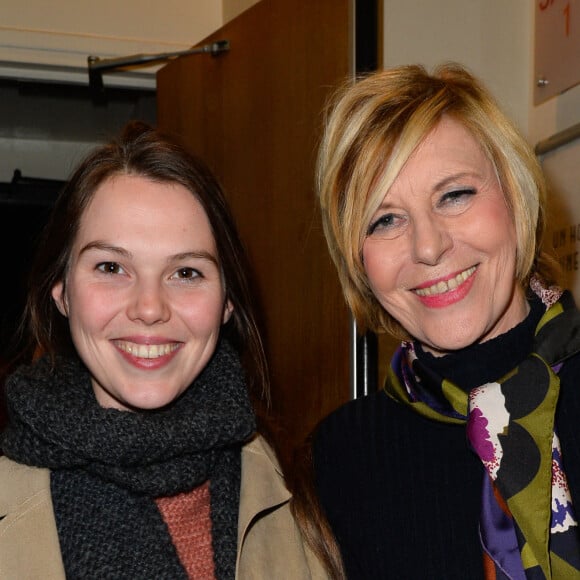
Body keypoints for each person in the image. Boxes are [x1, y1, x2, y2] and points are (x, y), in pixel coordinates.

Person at [0, 121, 343, 579]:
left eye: (185, 273)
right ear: (61, 293)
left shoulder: (316, 496)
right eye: (111, 266)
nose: (149, 307)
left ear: (227, 303)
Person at [312, 63, 580, 579]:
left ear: (515, 197)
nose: (429, 246)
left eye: (454, 194)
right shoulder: (342, 457)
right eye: (385, 219)